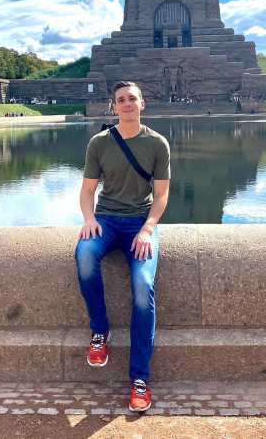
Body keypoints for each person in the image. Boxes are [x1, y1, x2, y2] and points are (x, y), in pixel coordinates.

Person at [75, 81, 170, 412]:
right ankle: (100, 331)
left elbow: (161, 196)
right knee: (85, 256)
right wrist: (89, 219)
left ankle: (139, 378)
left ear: (142, 103)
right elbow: (87, 191)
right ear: (113, 106)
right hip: (106, 220)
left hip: (139, 224)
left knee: (143, 286)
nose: (127, 104)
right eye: (121, 100)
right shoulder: (99, 143)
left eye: (132, 99)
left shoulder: (157, 143)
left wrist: (147, 229)